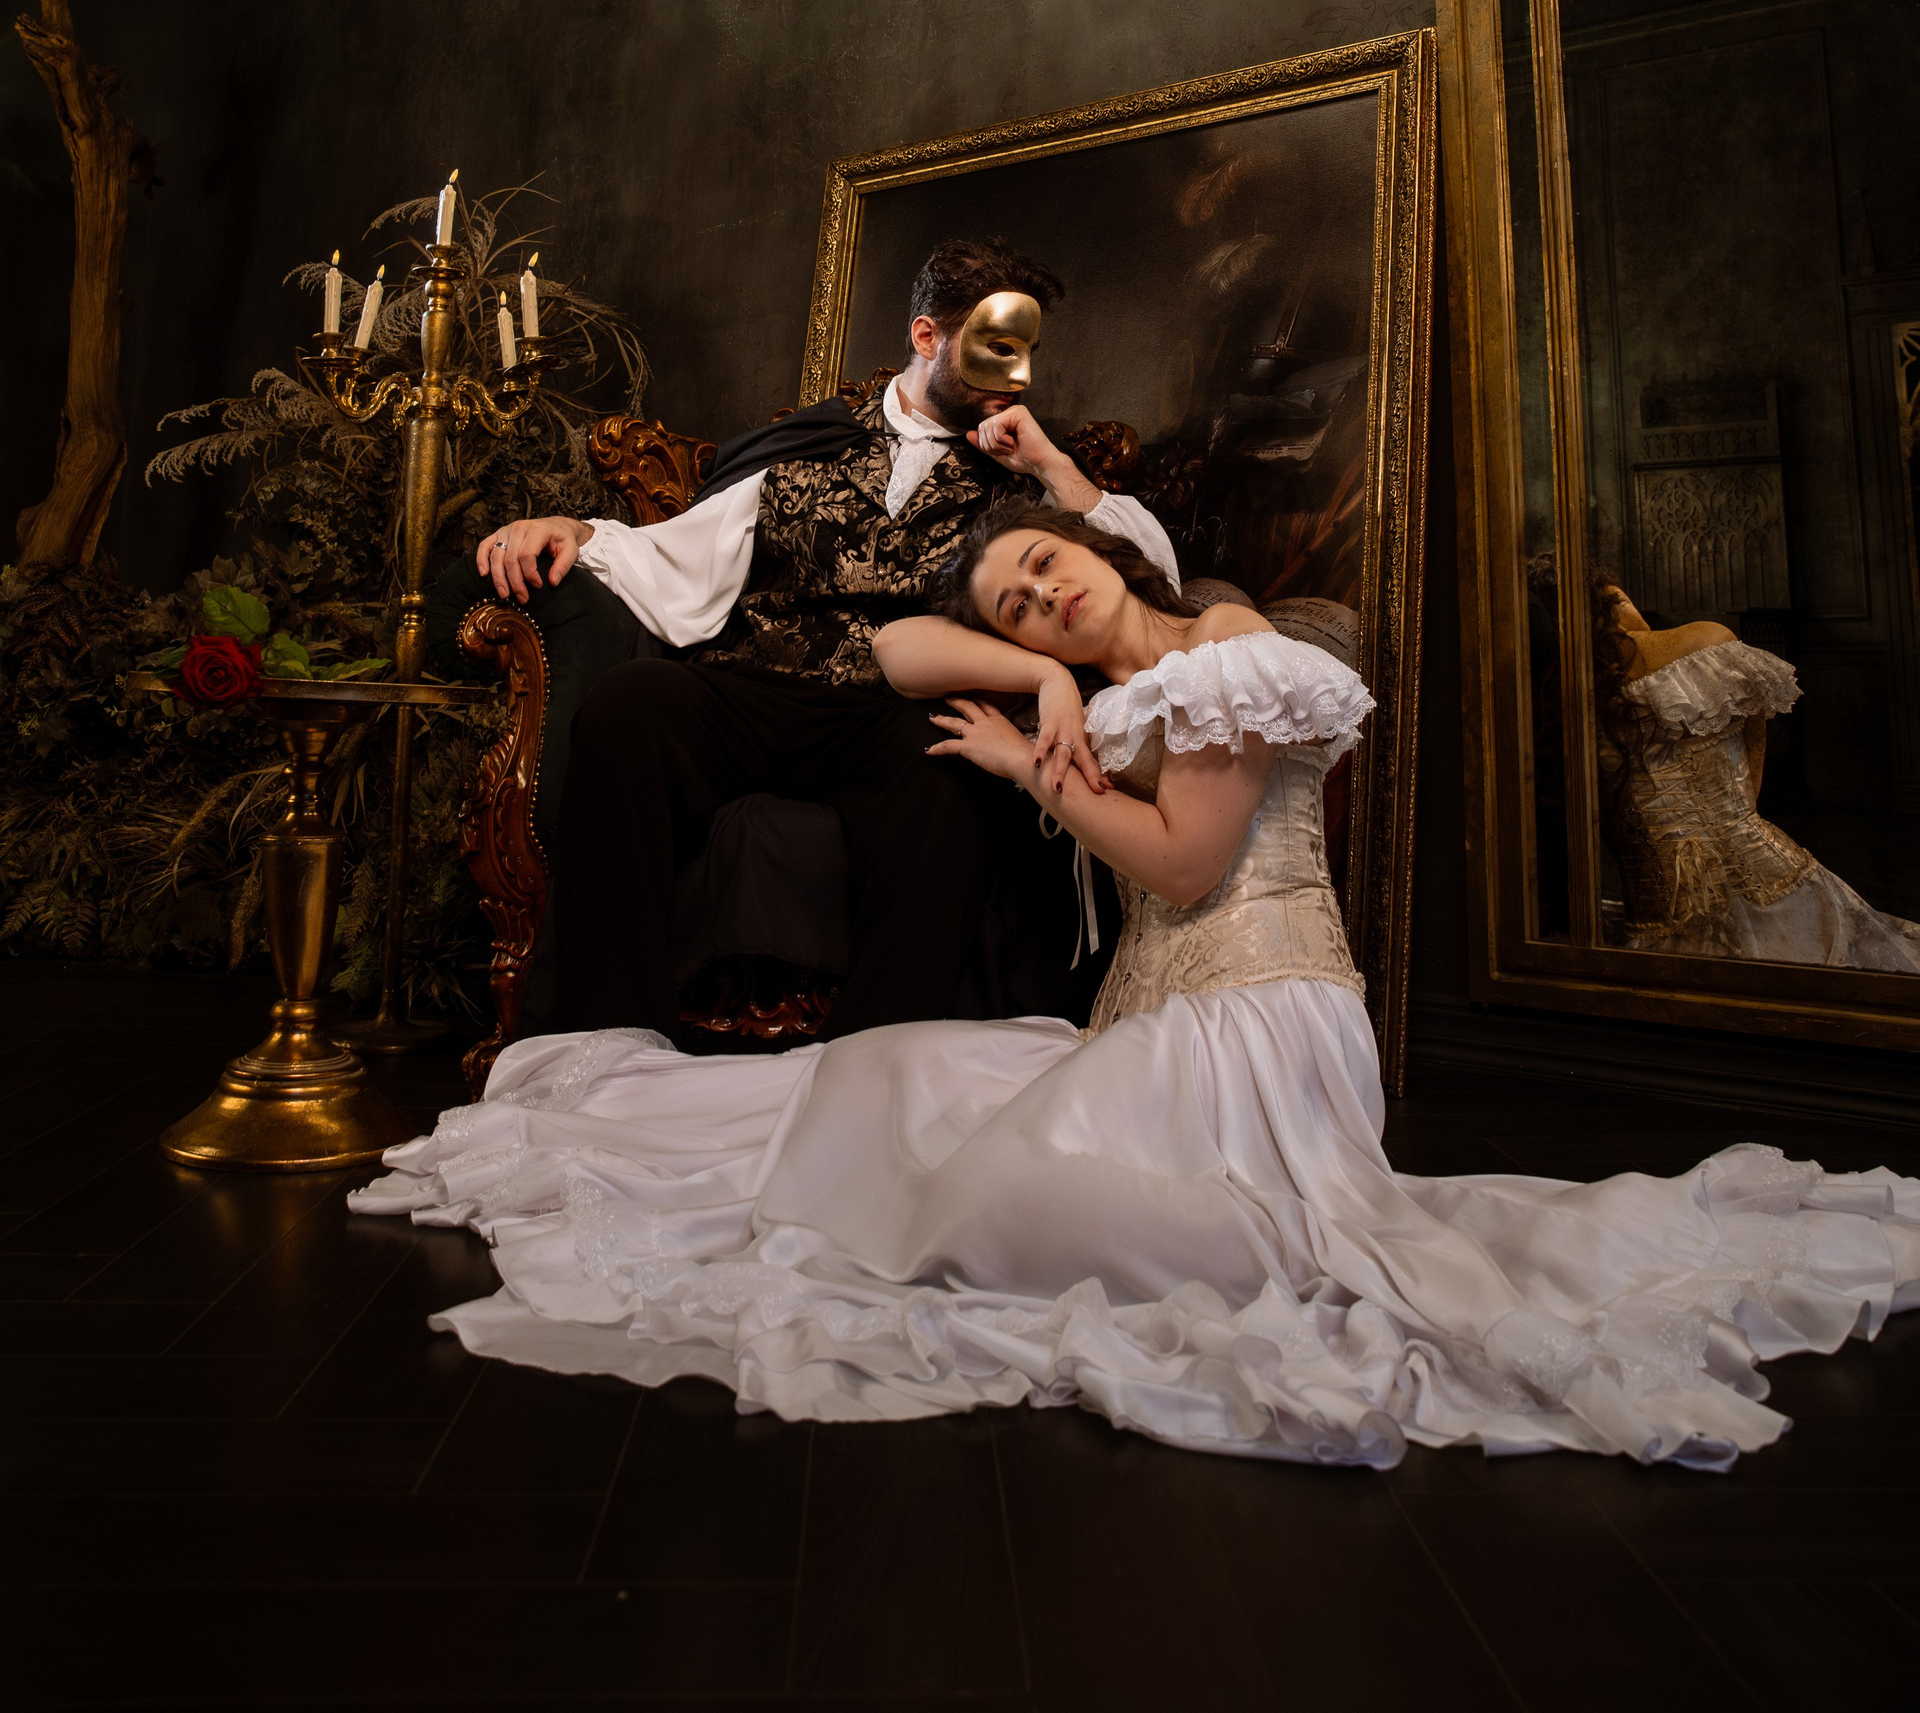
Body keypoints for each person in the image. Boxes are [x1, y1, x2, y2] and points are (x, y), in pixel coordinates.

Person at [355, 503, 1920, 1469]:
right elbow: (896, 653)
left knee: (978, 1201)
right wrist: (1033, 679)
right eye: (1014, 605)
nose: (1041, 601)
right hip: (1159, 1018)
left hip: (1256, 1017)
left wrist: (1039, 772)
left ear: (1100, 551)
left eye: (1046, 571)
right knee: (892, 1075)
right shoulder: (1094, 687)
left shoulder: (1227, 643)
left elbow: (1183, 863)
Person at [471, 236, 1180, 1040]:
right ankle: (602, 1038)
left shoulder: (1022, 487)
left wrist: (1049, 462)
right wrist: (574, 529)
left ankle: (875, 1060)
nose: (1017, 376)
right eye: (995, 348)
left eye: (1028, 354)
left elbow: (1150, 577)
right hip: (759, 692)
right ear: (927, 337)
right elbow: (678, 550)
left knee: (951, 776)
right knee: (631, 703)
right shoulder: (808, 447)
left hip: (893, 715)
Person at [1574, 570, 1920, 969]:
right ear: (1610, 612)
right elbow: (1751, 767)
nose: (1635, 611)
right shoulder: (1702, 642)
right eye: (1622, 600)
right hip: (1733, 884)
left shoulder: (1577, 691)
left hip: (1682, 898)